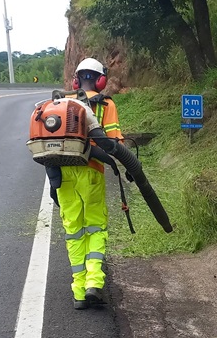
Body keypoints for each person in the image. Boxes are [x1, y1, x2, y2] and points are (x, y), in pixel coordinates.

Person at [56, 57, 123, 310]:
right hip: (91, 170)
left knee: (74, 230)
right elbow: (116, 144)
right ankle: (94, 282)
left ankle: (79, 291)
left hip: (63, 172)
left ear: (76, 79)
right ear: (100, 79)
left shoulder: (63, 102)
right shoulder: (105, 104)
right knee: (95, 227)